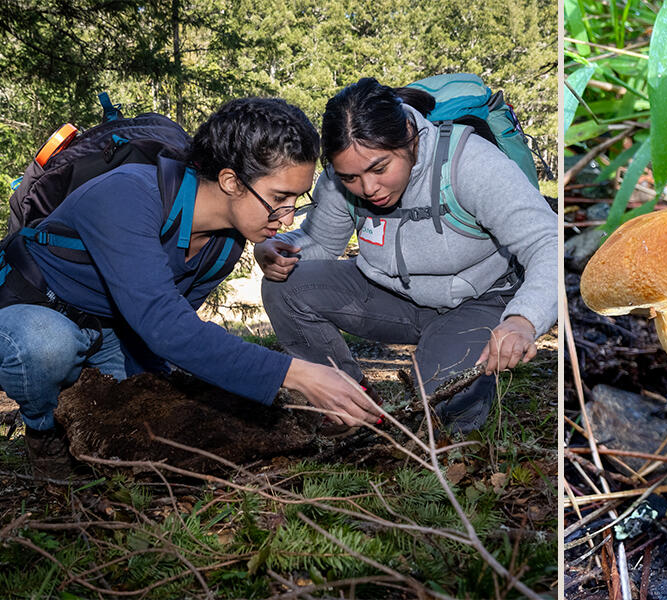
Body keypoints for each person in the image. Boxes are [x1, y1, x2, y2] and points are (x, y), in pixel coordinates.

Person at [0, 98, 379, 479]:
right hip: (32, 307)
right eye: (280, 198)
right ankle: (42, 431)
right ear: (231, 181)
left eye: (297, 199)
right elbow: (167, 329)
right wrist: (298, 374)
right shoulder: (127, 195)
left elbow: (171, 334)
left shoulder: (224, 245)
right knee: (45, 345)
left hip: (113, 332)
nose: (287, 216)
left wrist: (154, 389)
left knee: (138, 423)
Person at [255, 77, 557, 433]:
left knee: (439, 408)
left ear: (410, 137)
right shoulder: (342, 178)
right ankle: (348, 402)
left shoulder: (469, 164)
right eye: (351, 177)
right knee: (285, 287)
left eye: (380, 168)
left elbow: (547, 243)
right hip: (391, 296)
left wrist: (523, 320)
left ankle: (461, 391)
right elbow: (319, 242)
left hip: (481, 299)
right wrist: (276, 251)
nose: (368, 188)